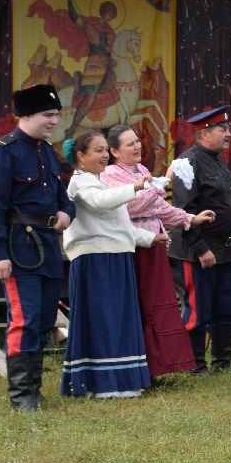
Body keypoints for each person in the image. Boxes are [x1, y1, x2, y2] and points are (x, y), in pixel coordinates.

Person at [0, 83, 75, 412]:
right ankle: (21, 397)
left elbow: (63, 198)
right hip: (18, 248)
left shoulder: (47, 152)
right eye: (48, 115)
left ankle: (34, 388)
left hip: (47, 246)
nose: (54, 121)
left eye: (56, 115)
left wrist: (66, 212)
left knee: (45, 320)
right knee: (24, 319)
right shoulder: (0, 153)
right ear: (26, 115)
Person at [104, 124, 215, 377]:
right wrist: (164, 180)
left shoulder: (141, 170)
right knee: (140, 304)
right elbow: (132, 206)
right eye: (130, 144)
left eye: (137, 141)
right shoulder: (111, 174)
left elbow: (159, 208)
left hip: (155, 245)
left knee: (158, 304)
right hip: (134, 247)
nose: (137, 146)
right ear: (114, 151)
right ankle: (137, 367)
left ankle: (158, 366)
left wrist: (190, 218)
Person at [59, 131, 157, 398]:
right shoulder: (80, 183)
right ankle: (102, 384)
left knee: (118, 320)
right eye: (98, 150)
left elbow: (117, 226)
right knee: (104, 320)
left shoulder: (99, 182)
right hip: (96, 262)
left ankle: (122, 382)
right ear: (81, 156)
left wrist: (149, 238)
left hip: (114, 258)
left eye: (105, 150)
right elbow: (99, 204)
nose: (104, 155)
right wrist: (134, 187)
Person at [168, 105, 231, 374]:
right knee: (198, 310)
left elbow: (221, 201)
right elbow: (184, 212)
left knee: (225, 309)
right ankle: (195, 365)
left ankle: (222, 363)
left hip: (225, 249)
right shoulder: (187, 163)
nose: (229, 134)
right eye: (223, 129)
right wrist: (200, 249)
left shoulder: (218, 160)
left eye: (228, 129)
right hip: (199, 251)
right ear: (205, 133)